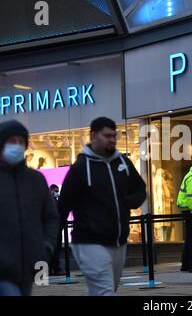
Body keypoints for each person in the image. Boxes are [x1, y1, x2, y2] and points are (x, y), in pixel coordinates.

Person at [0, 120, 59, 296]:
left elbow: (50, 216)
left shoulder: (36, 180)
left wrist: (46, 246)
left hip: (31, 262)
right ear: (1, 145)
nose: (17, 146)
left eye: (21, 141)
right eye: (12, 141)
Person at [58, 117, 147, 295]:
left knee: (105, 289)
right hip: (89, 242)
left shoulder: (123, 163)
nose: (112, 140)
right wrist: (48, 241)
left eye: (114, 136)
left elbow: (140, 188)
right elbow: (63, 206)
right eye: (107, 135)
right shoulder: (80, 168)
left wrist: (131, 201)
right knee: (105, 291)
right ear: (93, 136)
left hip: (118, 242)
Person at [48, 184, 64, 276]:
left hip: (57, 228)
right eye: (56, 191)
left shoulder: (55, 200)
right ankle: (54, 269)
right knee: (53, 250)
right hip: (53, 229)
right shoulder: (50, 200)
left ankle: (54, 269)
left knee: (56, 250)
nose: (56, 193)